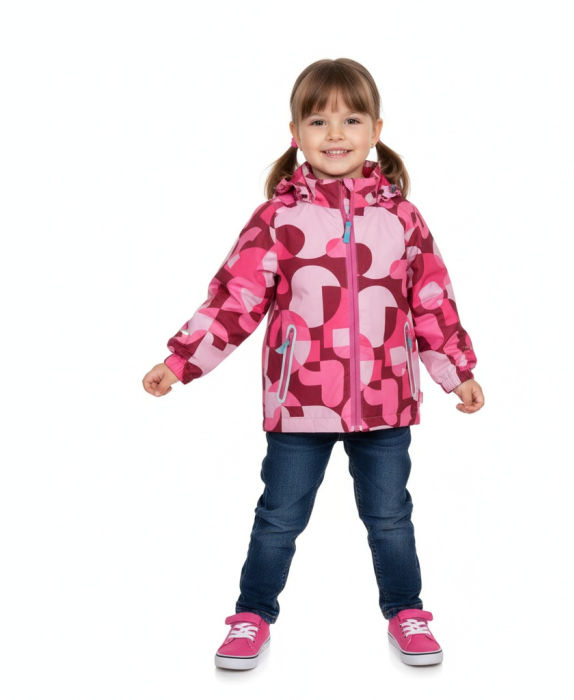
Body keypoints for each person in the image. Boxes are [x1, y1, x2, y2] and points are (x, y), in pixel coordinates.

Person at [142, 57, 484, 670]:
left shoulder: (401, 218)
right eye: (319, 120)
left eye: (351, 119)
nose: (335, 134)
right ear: (295, 132)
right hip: (300, 400)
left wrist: (457, 371)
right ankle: (251, 616)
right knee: (278, 517)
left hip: (384, 399)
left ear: (376, 129)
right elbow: (236, 298)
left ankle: (406, 612)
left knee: (390, 517)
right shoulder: (278, 219)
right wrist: (182, 359)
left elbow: (431, 300)